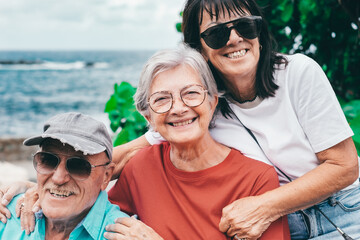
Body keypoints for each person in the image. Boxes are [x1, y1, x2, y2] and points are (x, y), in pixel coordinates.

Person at [108, 0, 360, 239]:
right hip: (281, 224)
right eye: (217, 33)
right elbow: (121, 157)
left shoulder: (298, 73)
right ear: (200, 50)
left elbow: (344, 166)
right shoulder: (200, 102)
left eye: (245, 25)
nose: (235, 38)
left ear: (258, 32)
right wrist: (74, 173)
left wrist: (263, 206)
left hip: (342, 210)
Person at [104, 46, 289, 240]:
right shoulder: (140, 166)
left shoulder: (256, 179)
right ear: (148, 117)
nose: (178, 108)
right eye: (162, 99)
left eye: (191, 93)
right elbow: (97, 222)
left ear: (212, 103)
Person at [0, 112, 129, 239]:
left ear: (106, 176)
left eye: (78, 166)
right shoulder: (7, 214)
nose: (58, 178)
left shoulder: (125, 235)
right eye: (48, 160)